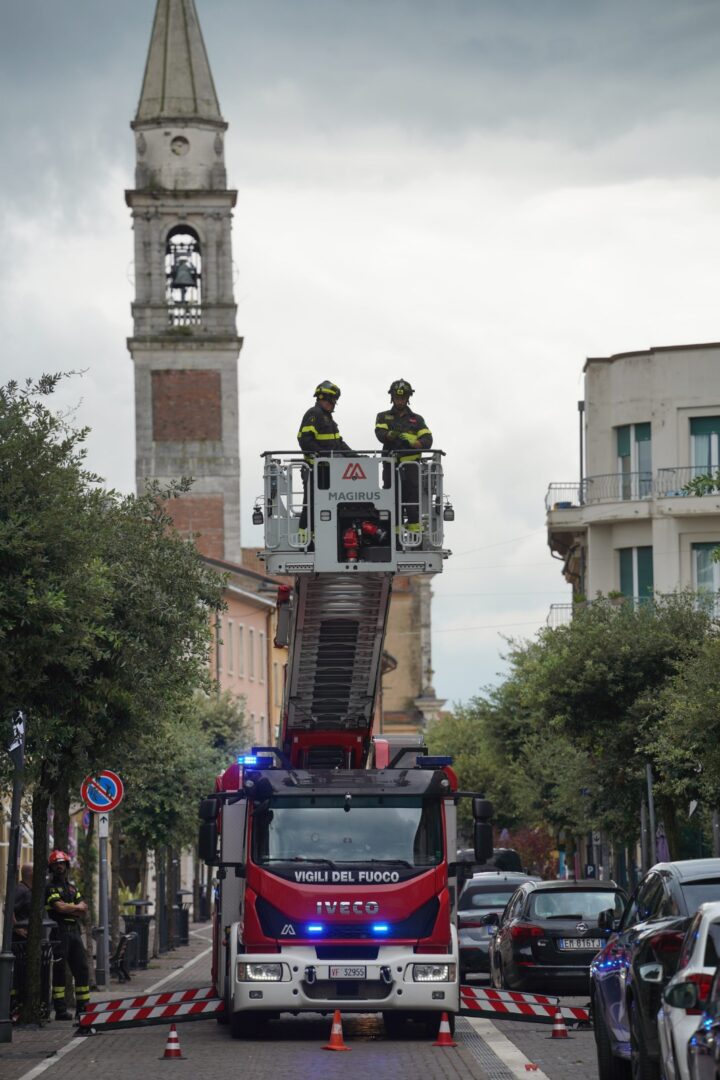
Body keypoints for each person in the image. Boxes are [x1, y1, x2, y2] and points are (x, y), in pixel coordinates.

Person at [374, 379, 433, 532]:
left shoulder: (417, 420)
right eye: (397, 397)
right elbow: (380, 434)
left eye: (403, 397)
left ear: (408, 398)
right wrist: (391, 435)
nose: (400, 400)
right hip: (391, 466)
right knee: (392, 499)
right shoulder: (383, 416)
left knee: (412, 501)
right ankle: (394, 535)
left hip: (411, 467)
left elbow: (428, 439)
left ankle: (415, 536)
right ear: (392, 397)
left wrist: (416, 443)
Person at [296, 380, 353, 536]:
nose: (332, 403)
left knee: (328, 504)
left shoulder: (328, 419)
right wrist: (323, 455)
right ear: (324, 399)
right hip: (317, 468)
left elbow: (338, 443)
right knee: (312, 504)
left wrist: (355, 455)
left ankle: (320, 535)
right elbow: (304, 440)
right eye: (331, 400)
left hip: (329, 470)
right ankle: (305, 538)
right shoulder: (314, 414)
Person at [45, 850, 90, 1020]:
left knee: (82, 969)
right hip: (59, 932)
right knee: (59, 970)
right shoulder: (50, 888)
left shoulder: (72, 888)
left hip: (75, 933)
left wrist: (72, 908)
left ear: (67, 865)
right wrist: (74, 908)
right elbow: (59, 908)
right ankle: (60, 1010)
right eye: (56, 864)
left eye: (62, 863)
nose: (59, 866)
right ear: (51, 867)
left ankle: (83, 1008)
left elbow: (83, 908)